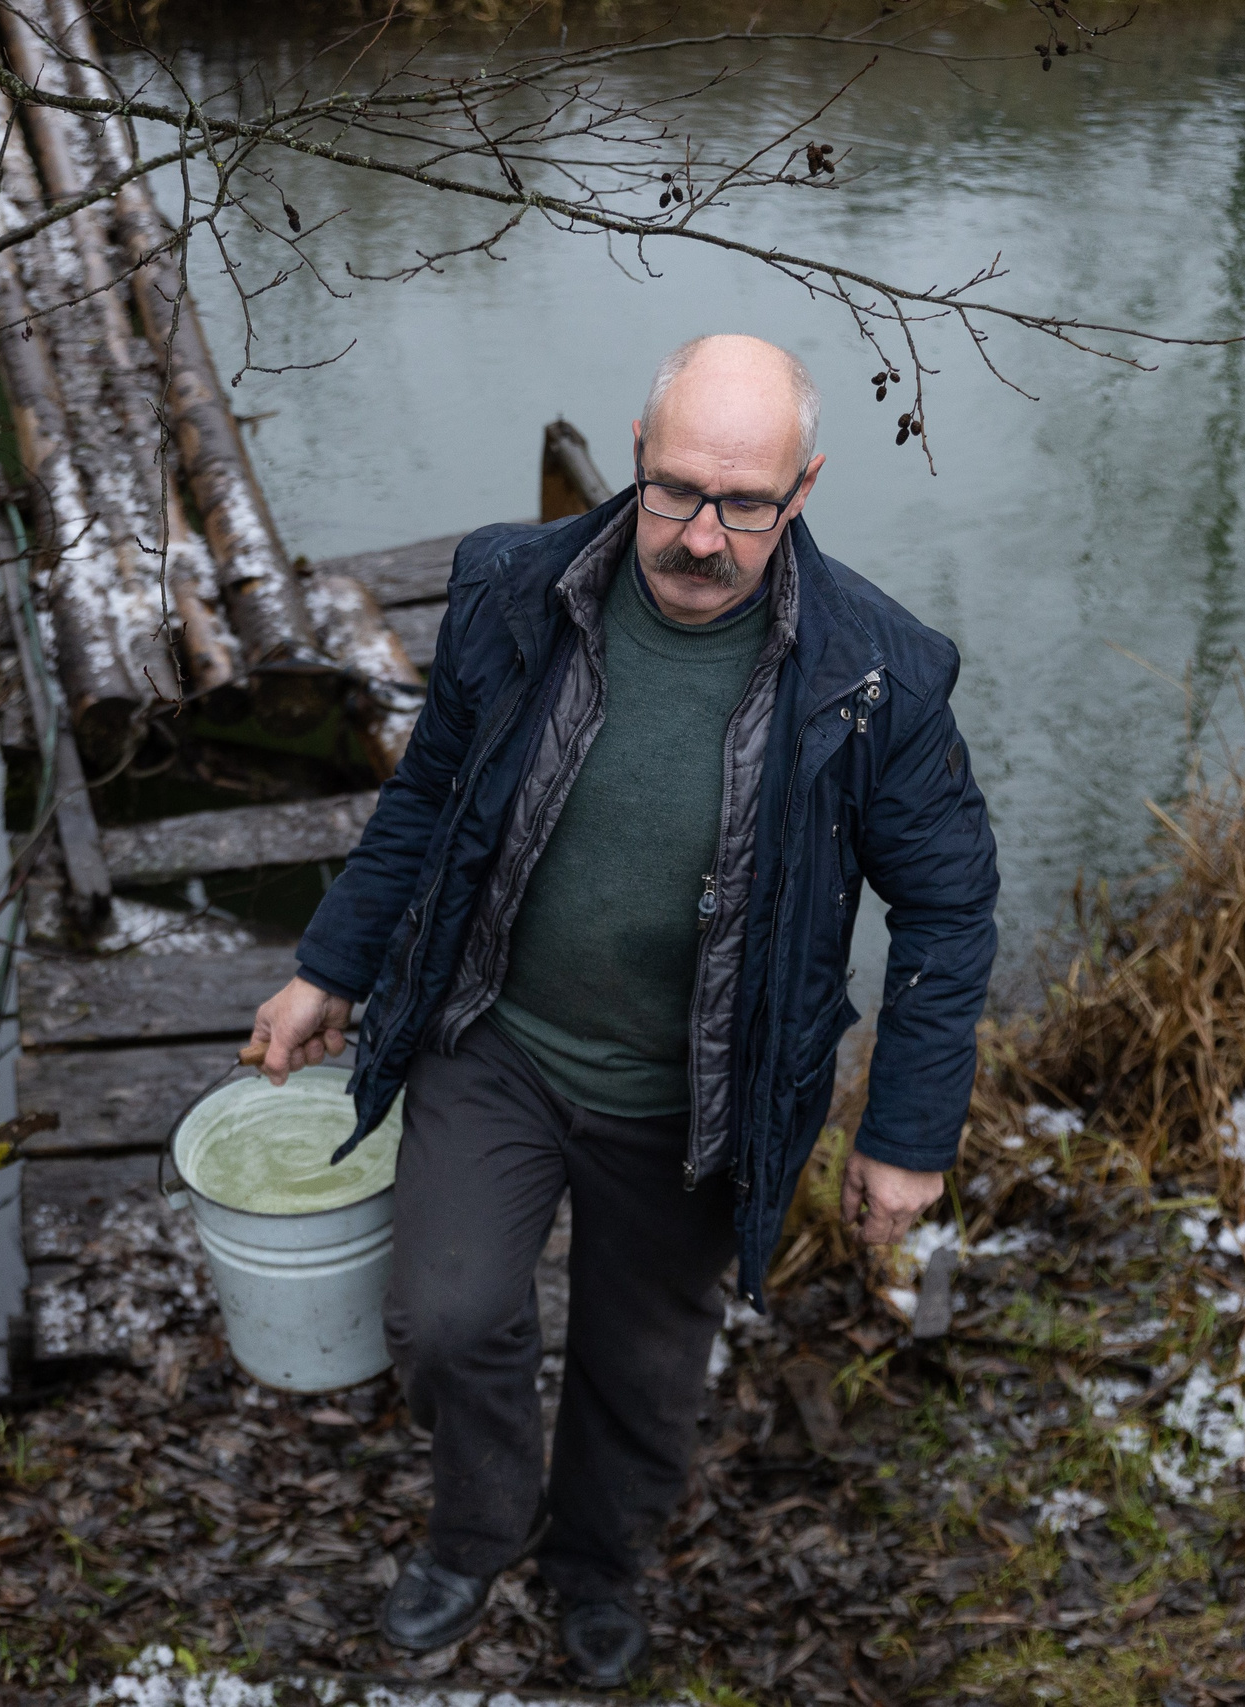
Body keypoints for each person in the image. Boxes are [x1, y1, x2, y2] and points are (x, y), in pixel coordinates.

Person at [244, 335, 999, 1687]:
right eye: (674, 492)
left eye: (745, 505)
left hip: (699, 1098)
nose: (701, 539)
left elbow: (946, 911)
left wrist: (908, 1135)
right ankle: (477, 1532)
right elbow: (426, 798)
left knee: (641, 1371)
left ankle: (597, 1563)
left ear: (805, 489)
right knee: (446, 1315)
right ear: (637, 453)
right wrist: (331, 966)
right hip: (502, 1044)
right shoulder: (514, 587)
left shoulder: (878, 677)